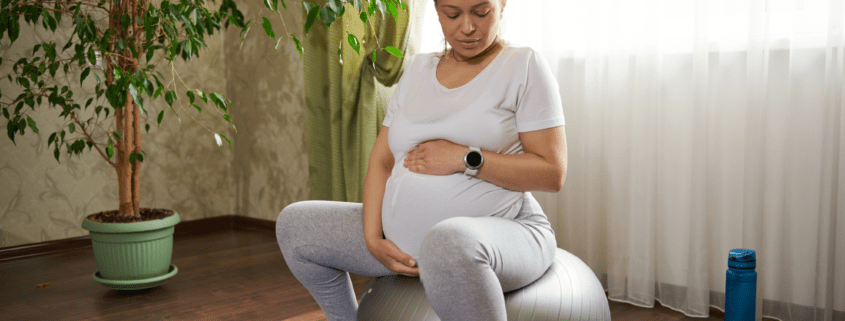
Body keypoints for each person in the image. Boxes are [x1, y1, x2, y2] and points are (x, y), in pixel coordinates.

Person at [275, 0, 568, 320]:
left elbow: (552, 173)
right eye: (452, 14)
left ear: (502, 5)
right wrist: (373, 239)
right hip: (403, 244)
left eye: (481, 12)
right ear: (437, 11)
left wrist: (465, 159)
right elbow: (381, 163)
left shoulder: (523, 66)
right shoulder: (417, 69)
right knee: (296, 225)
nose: (467, 27)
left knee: (446, 243)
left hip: (503, 233)